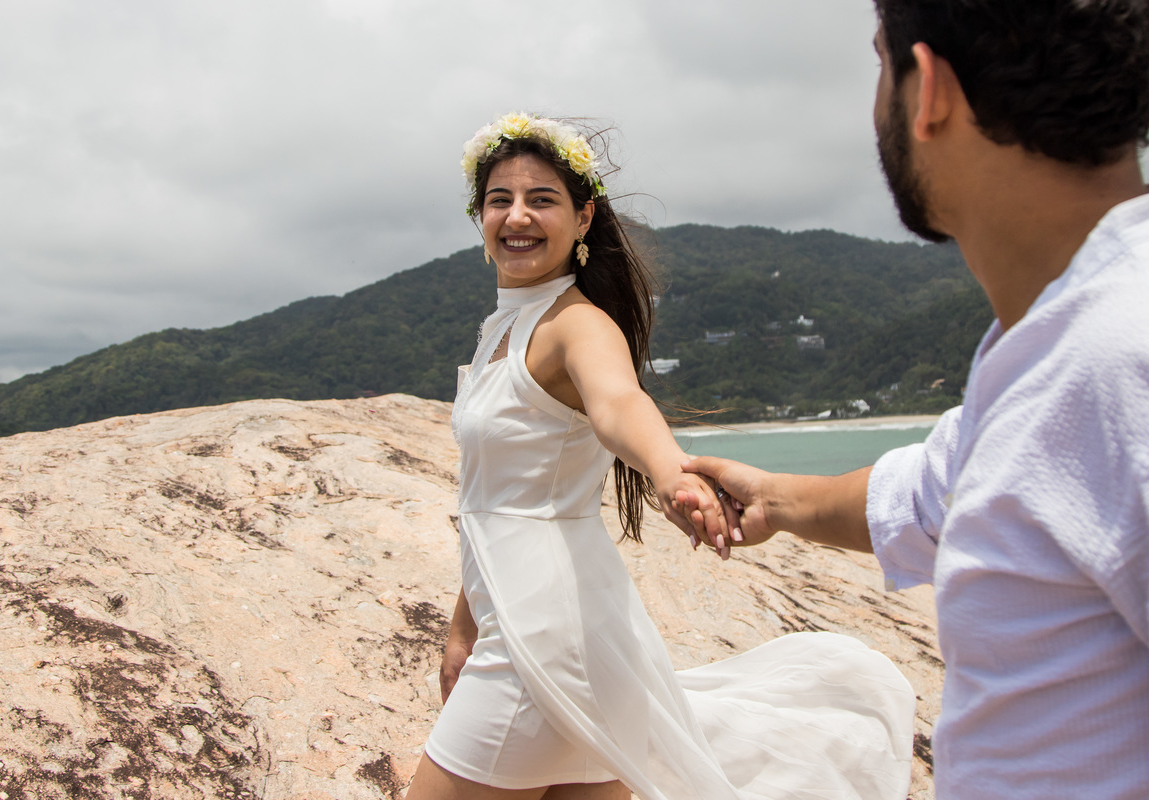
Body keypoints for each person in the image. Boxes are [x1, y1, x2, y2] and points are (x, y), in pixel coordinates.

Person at [681, 2, 1149, 798]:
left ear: (927, 89)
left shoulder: (1118, 356)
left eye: (879, 61)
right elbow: (937, 489)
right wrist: (779, 500)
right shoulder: (1059, 338)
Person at [403, 112, 917, 800]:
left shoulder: (577, 325)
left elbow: (620, 403)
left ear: (583, 218)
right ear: (480, 215)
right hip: (566, 630)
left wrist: (671, 471)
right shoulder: (504, 327)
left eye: (541, 199)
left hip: (540, 641)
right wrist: (464, 626)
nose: (517, 216)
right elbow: (496, 504)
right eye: (501, 199)